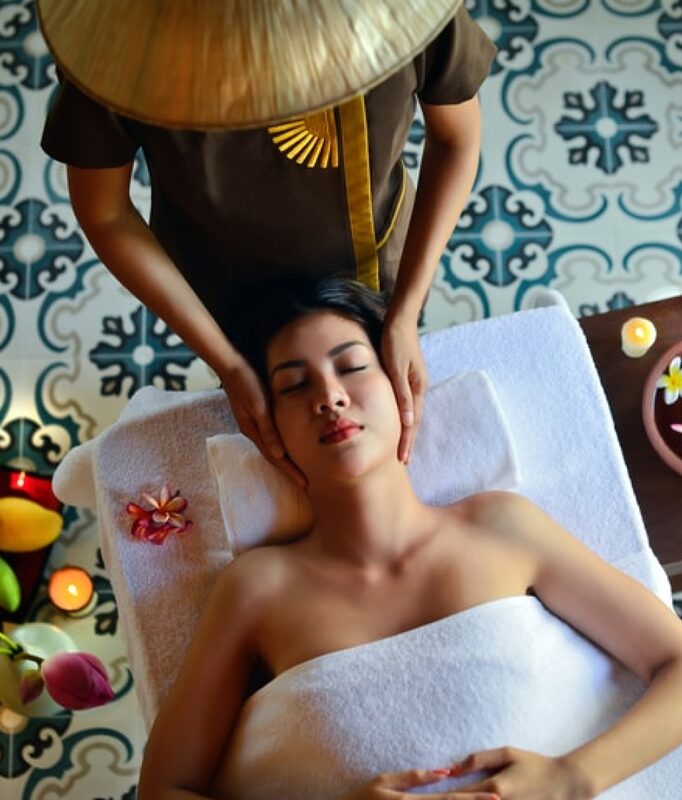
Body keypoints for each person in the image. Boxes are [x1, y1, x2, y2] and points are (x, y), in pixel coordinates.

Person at [137, 276, 682, 800]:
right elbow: (165, 790)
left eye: (352, 366)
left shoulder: (499, 526)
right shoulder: (256, 588)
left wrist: (572, 779)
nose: (329, 397)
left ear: (402, 384)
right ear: (267, 426)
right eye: (293, 386)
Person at [38, 2, 496, 482]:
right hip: (229, 295)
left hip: (376, 270)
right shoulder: (119, 39)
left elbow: (456, 139)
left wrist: (403, 312)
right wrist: (228, 362)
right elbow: (106, 212)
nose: (331, 399)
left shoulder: (405, 11)